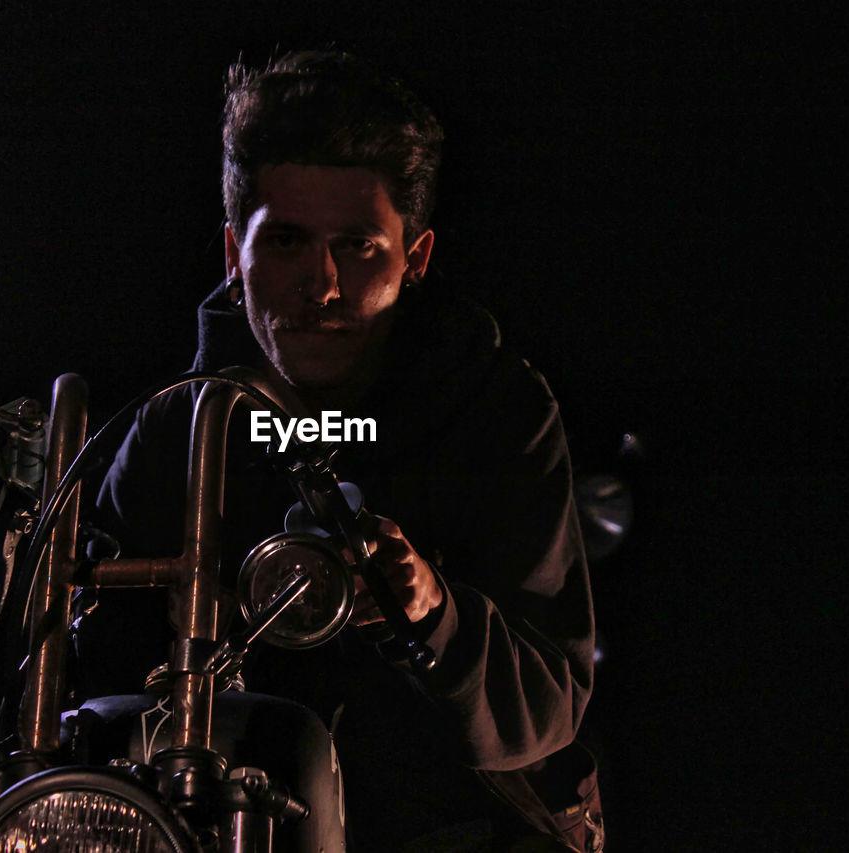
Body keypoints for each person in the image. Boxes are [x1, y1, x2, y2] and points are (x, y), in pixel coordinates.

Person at [81, 51, 599, 851]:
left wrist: (432, 609)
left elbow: (551, 699)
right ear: (233, 254)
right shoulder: (177, 427)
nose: (319, 284)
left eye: (357, 246)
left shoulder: (496, 410)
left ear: (415, 258)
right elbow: (86, 679)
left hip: (459, 821)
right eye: (285, 240)